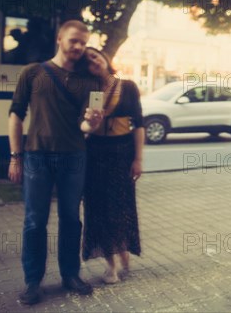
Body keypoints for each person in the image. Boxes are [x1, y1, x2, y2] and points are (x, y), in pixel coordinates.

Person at [8, 20, 102, 305]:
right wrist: (15, 156)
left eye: (83, 43)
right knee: (35, 221)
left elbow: (86, 128)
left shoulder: (89, 81)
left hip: (74, 156)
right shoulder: (33, 72)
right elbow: (16, 115)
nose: (78, 47)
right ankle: (33, 281)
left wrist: (92, 124)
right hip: (37, 156)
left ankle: (70, 275)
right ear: (60, 39)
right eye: (74, 40)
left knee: (71, 219)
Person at [80, 47, 144, 284]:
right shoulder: (87, 90)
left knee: (121, 208)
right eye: (87, 61)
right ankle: (111, 265)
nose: (93, 62)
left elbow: (139, 124)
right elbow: (83, 127)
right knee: (99, 210)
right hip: (95, 153)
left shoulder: (128, 86)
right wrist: (89, 121)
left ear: (104, 57)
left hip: (122, 154)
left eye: (95, 55)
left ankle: (124, 251)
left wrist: (138, 159)